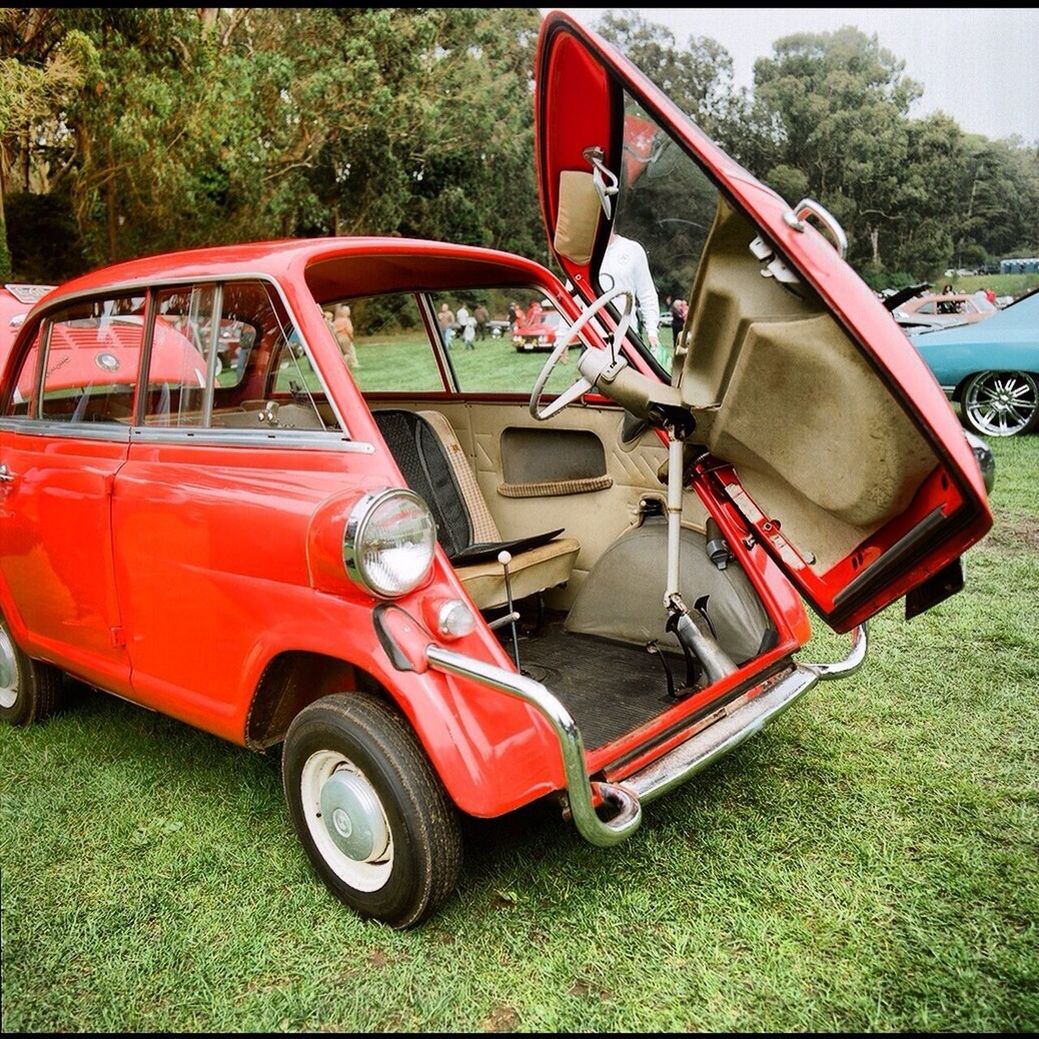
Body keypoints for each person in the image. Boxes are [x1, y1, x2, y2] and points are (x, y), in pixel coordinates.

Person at [599, 231, 663, 366]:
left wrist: (651, 331)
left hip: (628, 337)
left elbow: (647, 293)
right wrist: (562, 338)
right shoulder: (583, 254)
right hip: (594, 339)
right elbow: (572, 294)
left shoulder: (632, 249)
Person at [333, 303, 358, 369]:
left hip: (338, 338)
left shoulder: (336, 321)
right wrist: (351, 338)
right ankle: (344, 365)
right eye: (348, 311)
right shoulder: (346, 321)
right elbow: (349, 330)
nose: (349, 312)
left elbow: (334, 330)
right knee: (348, 353)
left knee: (342, 352)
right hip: (345, 338)